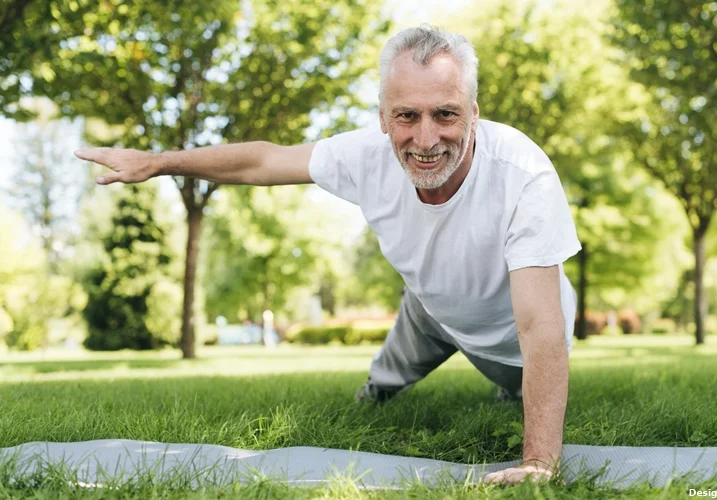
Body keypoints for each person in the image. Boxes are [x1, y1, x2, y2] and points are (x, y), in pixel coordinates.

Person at [74, 26, 581, 486]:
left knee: (515, 388)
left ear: (473, 112)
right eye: (406, 115)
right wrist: (160, 162)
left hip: (509, 342)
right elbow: (266, 158)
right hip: (429, 307)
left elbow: (539, 327)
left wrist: (539, 462)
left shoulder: (522, 174)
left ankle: (506, 391)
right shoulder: (364, 156)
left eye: (445, 114)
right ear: (383, 118)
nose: (426, 139)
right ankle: (378, 390)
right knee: (384, 378)